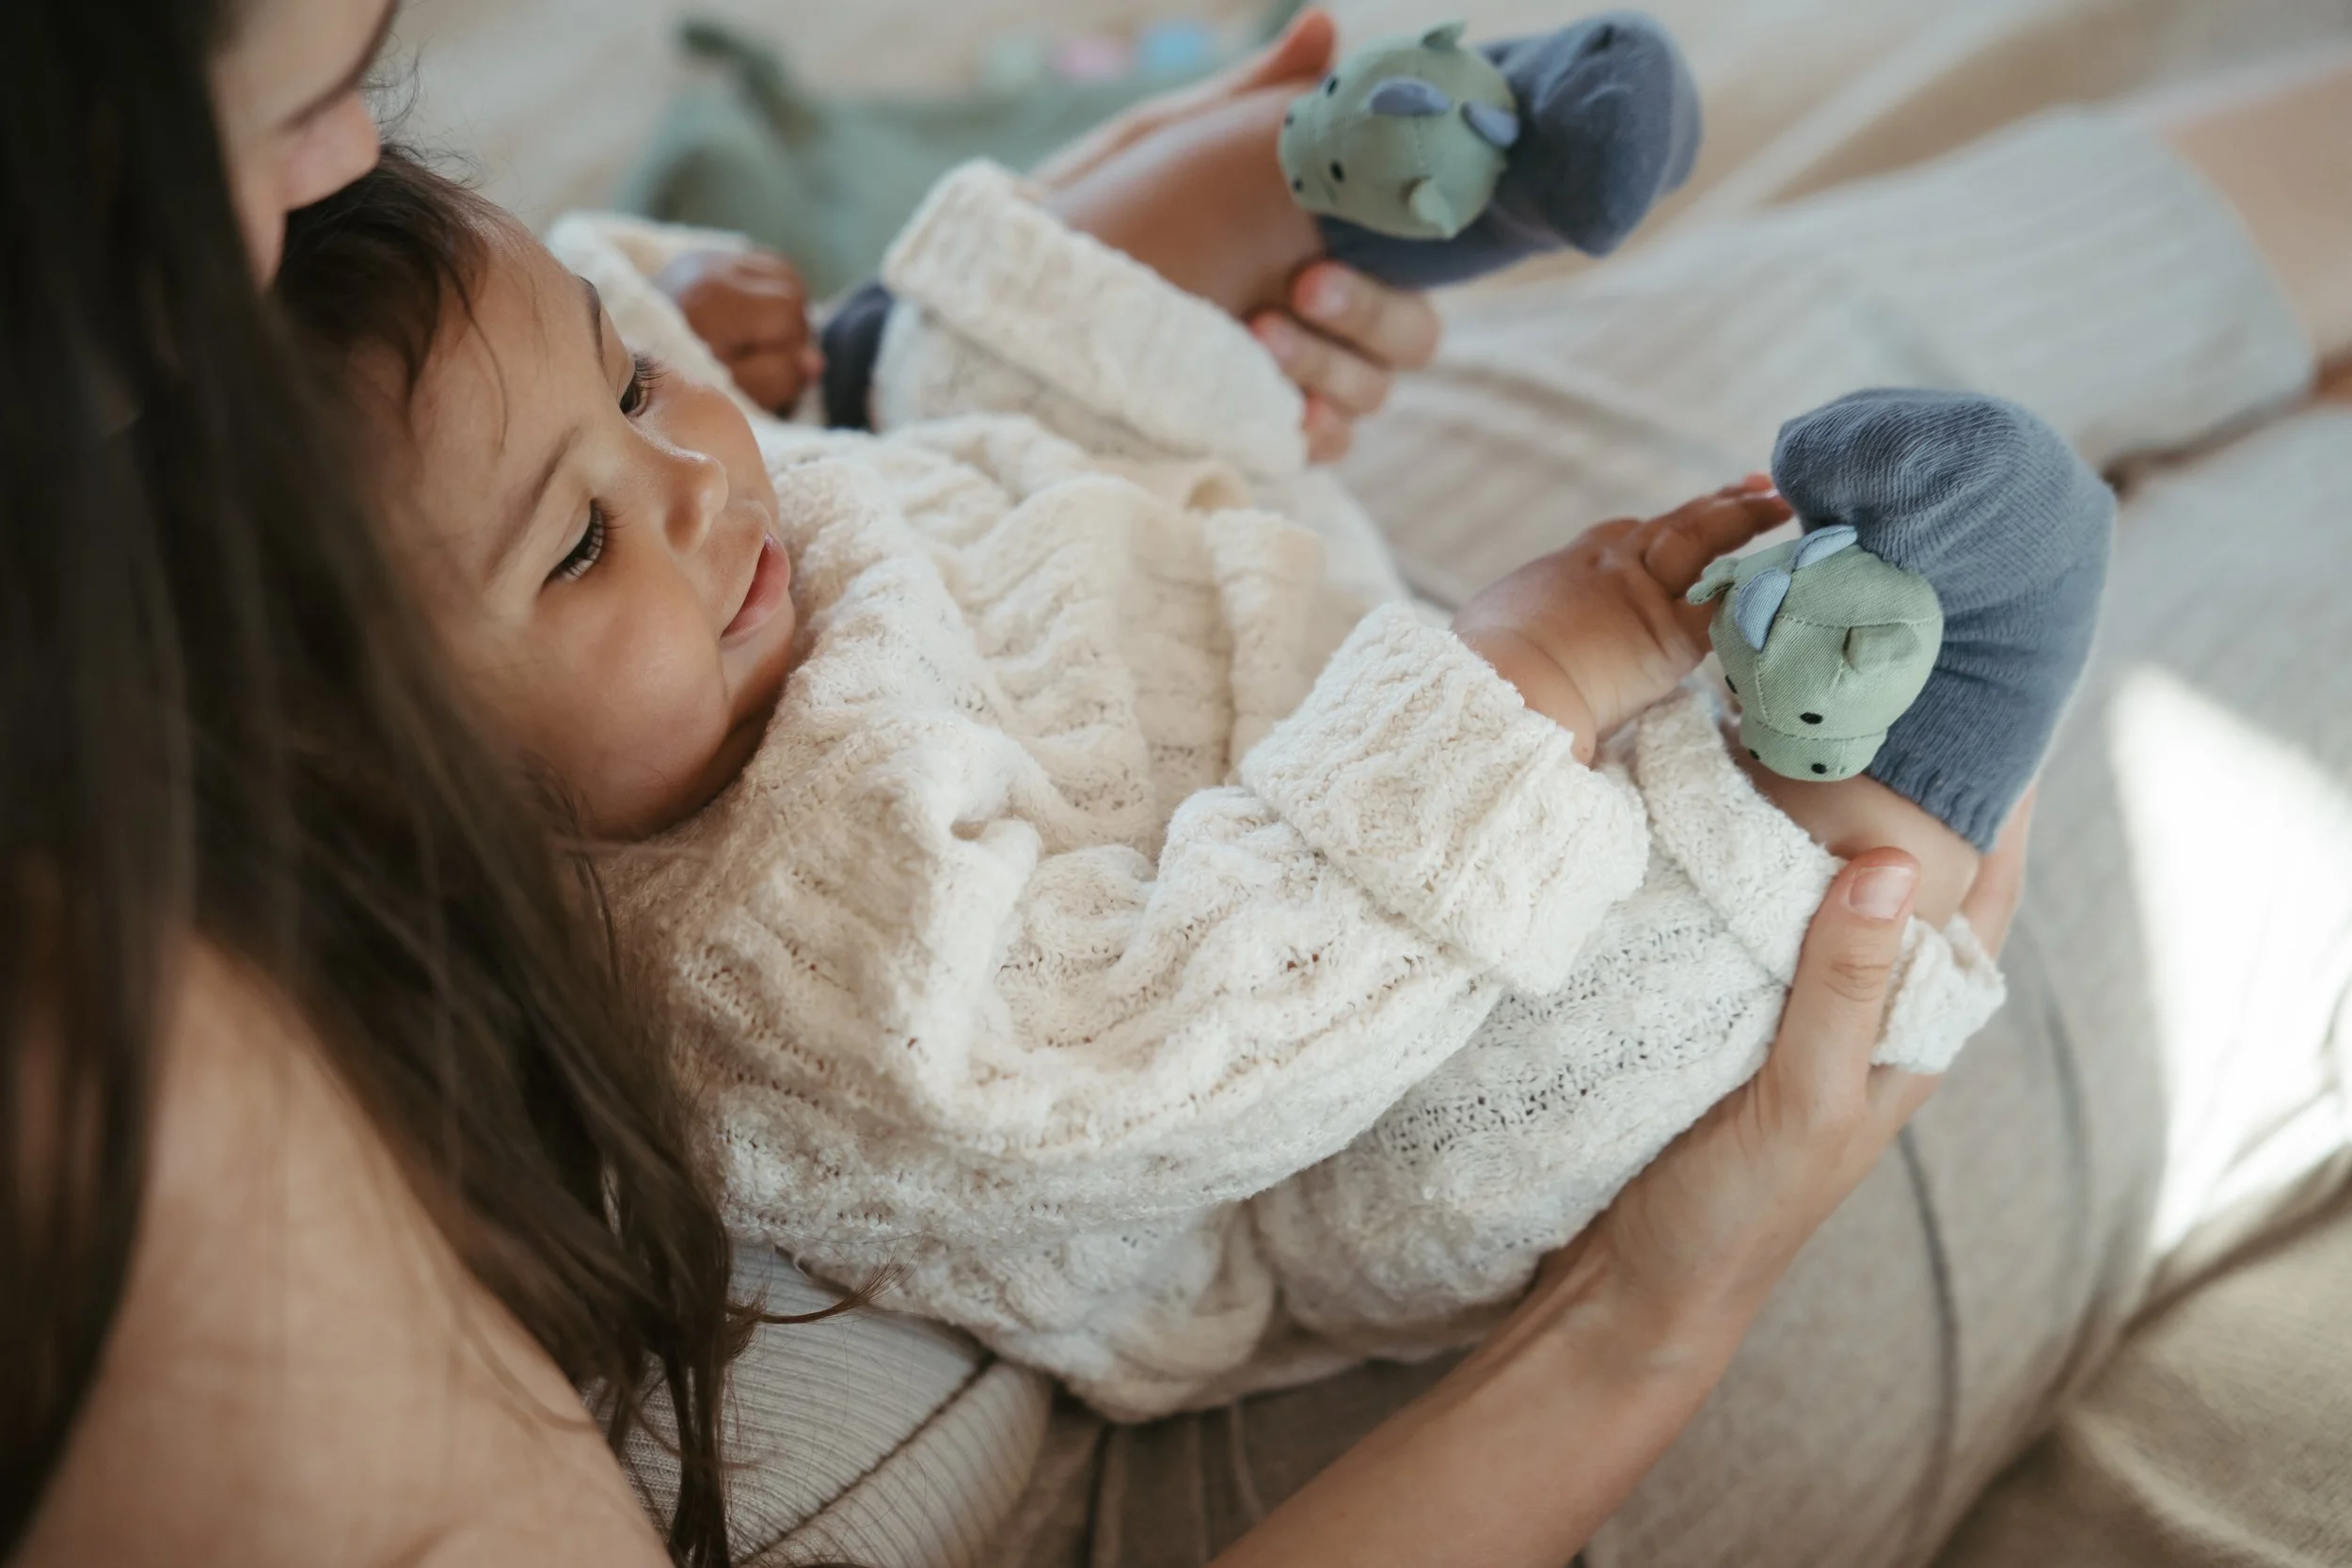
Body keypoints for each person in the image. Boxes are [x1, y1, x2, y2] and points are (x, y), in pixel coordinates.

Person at [1, 6, 2026, 1568]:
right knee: (1752, 916)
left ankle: (1353, 159)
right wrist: (1530, 672)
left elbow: (535, 341)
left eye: (629, 400)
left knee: (966, 334)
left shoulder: (509, 527)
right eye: (580, 544)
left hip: (1135, 641)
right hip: (1306, 1079)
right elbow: (1169, 1048)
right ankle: (1899, 741)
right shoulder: (773, 936)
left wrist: (664, 318)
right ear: (381, 787)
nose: (689, 480)